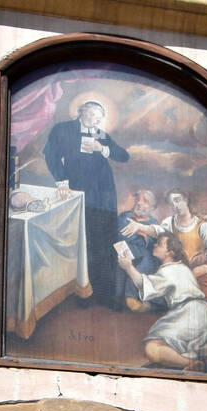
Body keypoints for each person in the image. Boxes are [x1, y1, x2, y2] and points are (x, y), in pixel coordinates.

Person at [43, 101, 129, 309]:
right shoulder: (62, 129)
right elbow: (51, 155)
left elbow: (124, 156)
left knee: (106, 239)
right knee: (85, 240)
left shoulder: (100, 134)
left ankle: (105, 294)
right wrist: (62, 182)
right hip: (80, 192)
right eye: (92, 115)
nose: (95, 121)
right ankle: (84, 293)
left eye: (99, 118)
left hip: (104, 194)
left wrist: (103, 148)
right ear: (81, 111)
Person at [116, 232, 207, 372]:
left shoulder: (169, 270)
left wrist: (129, 267)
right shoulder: (181, 268)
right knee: (200, 348)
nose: (154, 245)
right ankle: (203, 362)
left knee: (152, 348)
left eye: (159, 244)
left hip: (188, 313)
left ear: (169, 252)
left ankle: (191, 363)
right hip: (206, 314)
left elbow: (146, 285)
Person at [122, 187, 207, 309]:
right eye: (171, 203)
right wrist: (139, 226)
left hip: (198, 273)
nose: (175, 206)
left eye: (177, 200)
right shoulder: (169, 222)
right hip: (176, 269)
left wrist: (204, 269)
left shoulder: (204, 227)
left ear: (187, 200)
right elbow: (157, 231)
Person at [115, 190, 160, 309]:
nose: (139, 203)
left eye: (145, 201)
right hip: (124, 252)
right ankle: (121, 297)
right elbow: (123, 235)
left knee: (148, 259)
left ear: (152, 207)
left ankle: (131, 297)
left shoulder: (154, 223)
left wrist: (141, 234)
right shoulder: (124, 216)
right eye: (138, 199)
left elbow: (152, 242)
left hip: (143, 257)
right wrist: (143, 235)